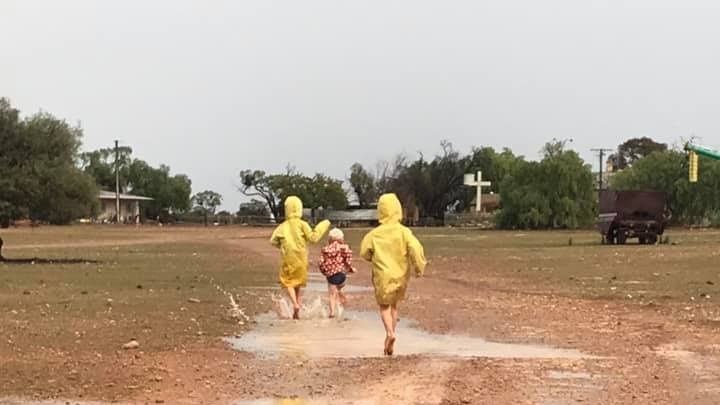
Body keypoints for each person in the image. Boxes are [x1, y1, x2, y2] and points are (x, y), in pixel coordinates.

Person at [360, 193, 426, 356]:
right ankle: (391, 335)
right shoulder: (404, 232)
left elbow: (364, 252)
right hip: (401, 274)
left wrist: (373, 257)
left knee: (384, 306)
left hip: (382, 274)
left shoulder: (375, 234)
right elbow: (416, 249)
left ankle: (389, 332)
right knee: (394, 305)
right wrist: (419, 267)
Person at [270, 196, 331, 320]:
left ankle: (295, 305)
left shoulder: (283, 226)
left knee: (287, 282)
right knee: (297, 283)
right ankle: (296, 309)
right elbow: (313, 238)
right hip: (302, 258)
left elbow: (273, 241)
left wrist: (282, 246)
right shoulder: (303, 224)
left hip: (288, 257)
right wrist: (324, 224)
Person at [319, 228, 356, 318]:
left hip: (331, 275)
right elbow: (348, 260)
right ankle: (340, 292)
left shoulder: (325, 249)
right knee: (341, 285)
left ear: (330, 239)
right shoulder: (344, 248)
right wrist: (350, 269)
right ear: (341, 239)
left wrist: (324, 271)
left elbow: (321, 262)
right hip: (341, 273)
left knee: (331, 294)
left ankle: (332, 312)